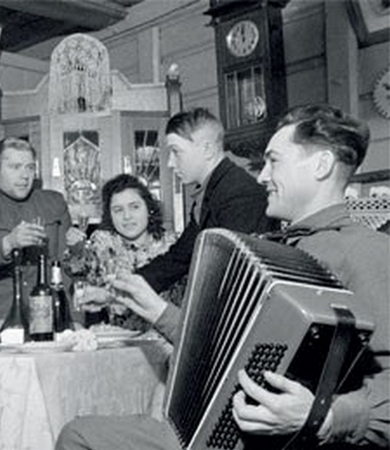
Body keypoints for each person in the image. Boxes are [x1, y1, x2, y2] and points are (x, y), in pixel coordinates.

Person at [55, 105, 389, 449]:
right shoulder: (272, 248)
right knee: (77, 434)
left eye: (274, 161)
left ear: (321, 166)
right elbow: (225, 349)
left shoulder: (366, 251)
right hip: (219, 427)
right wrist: (159, 312)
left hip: (279, 441)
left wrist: (324, 417)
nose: (261, 177)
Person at [135, 108, 277, 294]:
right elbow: (179, 258)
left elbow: (241, 279)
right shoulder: (213, 189)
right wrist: (125, 286)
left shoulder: (240, 194)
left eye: (176, 152)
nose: (170, 163)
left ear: (208, 150)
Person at [0, 137, 72, 328]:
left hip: (50, 316)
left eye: (30, 167)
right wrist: (8, 243)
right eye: (15, 167)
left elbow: (66, 268)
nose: (25, 176)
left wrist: (73, 319)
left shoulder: (54, 203)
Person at [74, 174, 178, 329]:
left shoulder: (173, 246)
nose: (127, 216)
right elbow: (75, 269)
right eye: (118, 210)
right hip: (120, 339)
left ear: (149, 208)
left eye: (134, 207)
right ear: (110, 215)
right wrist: (75, 247)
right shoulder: (103, 243)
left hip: (169, 336)